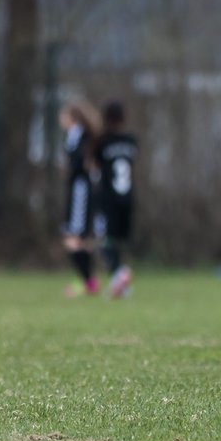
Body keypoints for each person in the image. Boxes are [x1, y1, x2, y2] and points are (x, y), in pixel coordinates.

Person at [95, 100, 138, 299]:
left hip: (108, 198)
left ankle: (120, 277)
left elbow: (95, 164)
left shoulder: (103, 141)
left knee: (106, 240)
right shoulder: (131, 140)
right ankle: (121, 282)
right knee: (119, 241)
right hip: (127, 197)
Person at [59, 100, 101, 297]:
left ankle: (89, 283)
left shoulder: (80, 136)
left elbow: (81, 164)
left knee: (74, 238)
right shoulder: (76, 136)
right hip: (78, 189)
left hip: (80, 190)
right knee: (81, 239)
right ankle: (88, 283)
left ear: (72, 118)